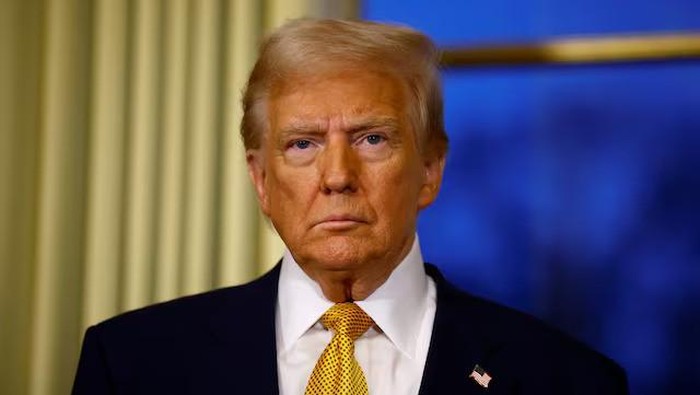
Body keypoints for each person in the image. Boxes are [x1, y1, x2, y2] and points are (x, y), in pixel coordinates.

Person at [72, 19, 628, 395]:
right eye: (303, 144)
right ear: (261, 180)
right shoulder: (131, 365)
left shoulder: (568, 380)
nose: (337, 176)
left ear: (430, 170)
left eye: (371, 139)